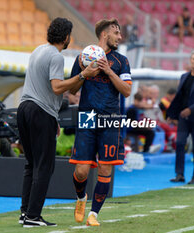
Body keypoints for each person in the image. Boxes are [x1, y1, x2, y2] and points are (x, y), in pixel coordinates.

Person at [17, 17, 85, 228]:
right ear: (66, 37)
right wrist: (83, 74)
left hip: (24, 108)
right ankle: (33, 216)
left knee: (31, 164)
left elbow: (44, 88)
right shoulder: (55, 56)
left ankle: (25, 212)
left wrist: (53, 116)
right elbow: (56, 87)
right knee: (44, 167)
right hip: (39, 112)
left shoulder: (38, 50)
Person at [69, 18, 132, 226]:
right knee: (81, 170)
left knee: (105, 168)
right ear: (105, 34)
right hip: (87, 115)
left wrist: (109, 71)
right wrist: (85, 74)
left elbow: (127, 90)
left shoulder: (122, 60)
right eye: (116, 32)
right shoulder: (82, 57)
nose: (119, 37)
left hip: (111, 118)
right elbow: (72, 90)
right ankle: (81, 198)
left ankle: (93, 214)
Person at [166, 51, 194, 185]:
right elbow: (179, 98)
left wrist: (190, 110)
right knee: (180, 143)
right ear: (190, 61)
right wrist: (172, 114)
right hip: (183, 118)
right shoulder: (184, 76)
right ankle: (179, 174)